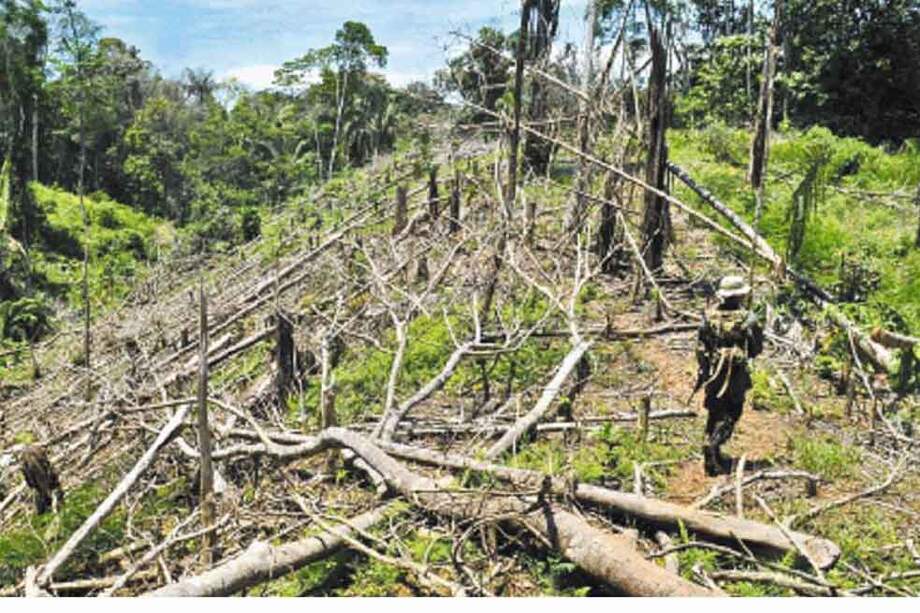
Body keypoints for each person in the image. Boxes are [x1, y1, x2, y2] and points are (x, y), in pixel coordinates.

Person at [695, 276, 764, 476]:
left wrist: (704, 370)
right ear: (740, 295)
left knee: (714, 410)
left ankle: (710, 448)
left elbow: (701, 346)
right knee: (733, 412)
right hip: (736, 373)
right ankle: (714, 446)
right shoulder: (748, 318)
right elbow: (755, 348)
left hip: (713, 371)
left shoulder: (708, 316)